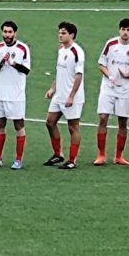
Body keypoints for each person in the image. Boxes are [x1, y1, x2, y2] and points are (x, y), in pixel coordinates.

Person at [0, 20, 31, 170]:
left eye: (10, 32)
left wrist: (14, 63)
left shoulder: (23, 48)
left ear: (15, 33)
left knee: (18, 125)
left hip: (16, 94)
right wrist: (2, 62)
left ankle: (18, 159)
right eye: (5, 32)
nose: (7, 35)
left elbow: (27, 70)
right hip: (0, 93)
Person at [94, 17, 129, 166]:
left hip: (125, 89)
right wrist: (109, 75)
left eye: (128, 30)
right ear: (119, 30)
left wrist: (128, 75)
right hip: (108, 87)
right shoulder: (111, 44)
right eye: (123, 29)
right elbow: (101, 64)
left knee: (123, 122)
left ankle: (119, 156)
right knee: (103, 117)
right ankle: (101, 155)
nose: (125, 32)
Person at [44, 21, 85, 170]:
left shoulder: (77, 52)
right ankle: (58, 154)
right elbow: (59, 71)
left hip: (71, 97)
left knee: (73, 127)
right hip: (59, 95)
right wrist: (52, 88)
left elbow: (78, 75)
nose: (60, 35)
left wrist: (71, 96)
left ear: (72, 35)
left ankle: (72, 160)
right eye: (59, 32)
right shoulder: (61, 50)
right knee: (50, 122)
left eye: (64, 33)